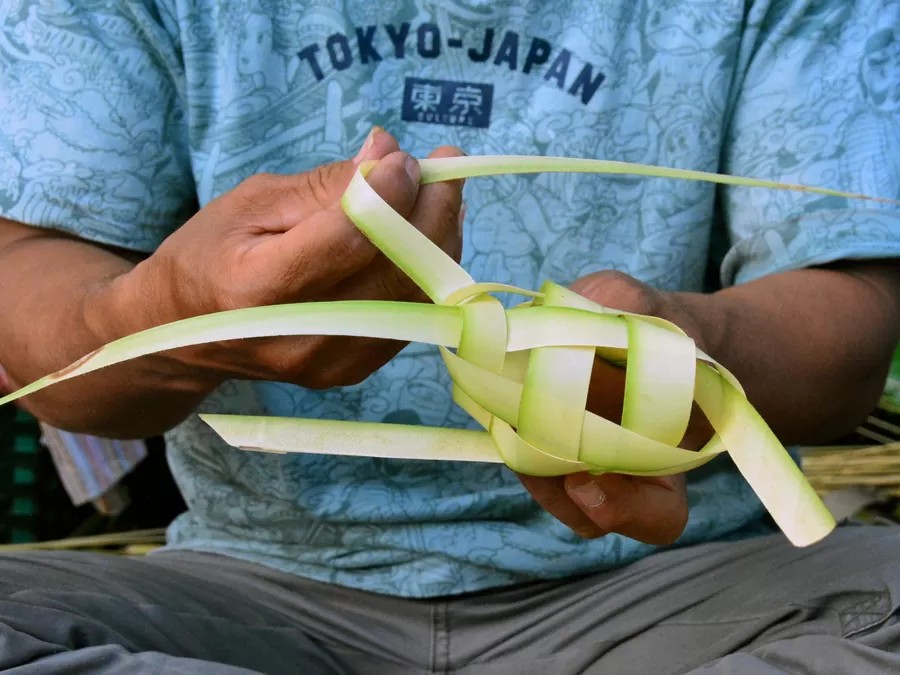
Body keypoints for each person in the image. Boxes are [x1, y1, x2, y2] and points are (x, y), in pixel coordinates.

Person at [0, 0, 898, 672]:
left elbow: (848, 322)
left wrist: (685, 352)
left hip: (679, 595)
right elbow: (44, 316)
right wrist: (175, 315)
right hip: (252, 596)